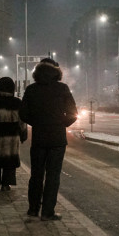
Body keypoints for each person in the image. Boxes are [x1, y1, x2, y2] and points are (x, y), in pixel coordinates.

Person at [19, 58, 77, 221]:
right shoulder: (62, 88)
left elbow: (23, 114)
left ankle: (33, 209)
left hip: (39, 138)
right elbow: (73, 113)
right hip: (57, 139)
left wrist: (36, 123)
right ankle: (47, 211)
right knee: (53, 176)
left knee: (36, 174)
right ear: (56, 72)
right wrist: (61, 123)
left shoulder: (31, 89)